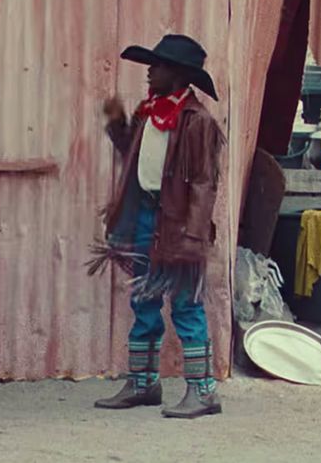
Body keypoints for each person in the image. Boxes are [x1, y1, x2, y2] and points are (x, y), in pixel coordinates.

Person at [88, 34, 225, 419]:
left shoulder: (197, 122)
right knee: (143, 299)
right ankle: (143, 382)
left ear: (179, 74)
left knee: (185, 304)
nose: (149, 71)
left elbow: (203, 183)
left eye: (158, 65)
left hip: (178, 222)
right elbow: (134, 155)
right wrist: (117, 126)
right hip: (147, 215)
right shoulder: (150, 111)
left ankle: (203, 391)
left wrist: (193, 235)